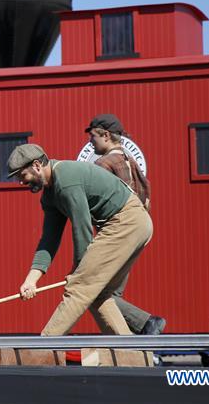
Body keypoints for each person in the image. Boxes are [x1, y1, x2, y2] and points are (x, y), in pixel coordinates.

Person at [11, 144, 153, 336]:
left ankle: (45, 346)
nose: (21, 182)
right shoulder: (50, 196)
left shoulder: (66, 180)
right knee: (96, 293)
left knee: (79, 286)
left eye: (22, 175)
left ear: (36, 165)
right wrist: (31, 280)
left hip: (126, 222)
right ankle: (128, 350)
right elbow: (49, 240)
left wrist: (79, 269)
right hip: (132, 224)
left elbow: (82, 228)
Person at [84, 114, 164, 335]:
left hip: (116, 236)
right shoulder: (130, 161)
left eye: (93, 136)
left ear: (106, 135)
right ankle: (129, 342)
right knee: (112, 294)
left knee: (92, 291)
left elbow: (95, 202)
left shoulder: (103, 164)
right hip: (138, 233)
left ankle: (146, 323)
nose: (91, 141)